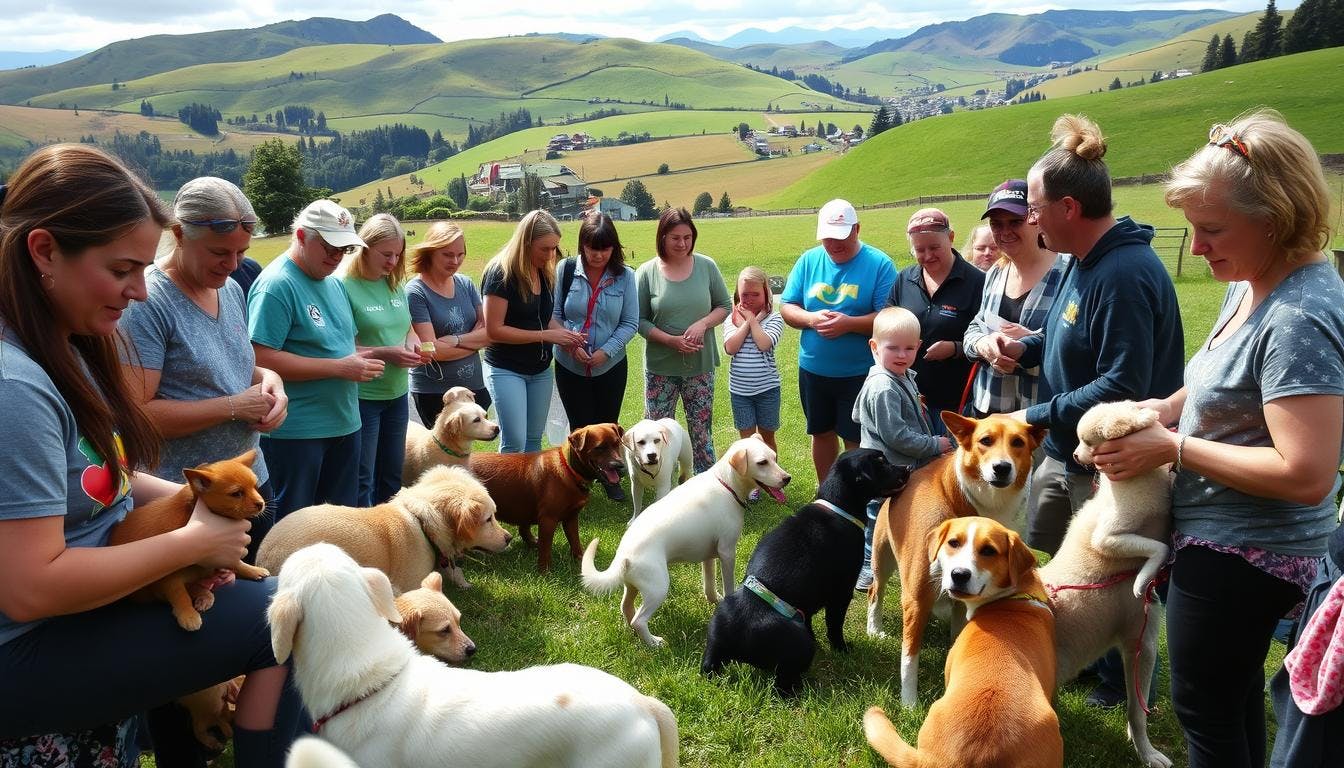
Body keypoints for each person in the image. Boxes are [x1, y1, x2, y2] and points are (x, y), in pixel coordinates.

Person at [0, 144, 302, 767]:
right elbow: (29, 589)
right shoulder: (15, 388)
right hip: (29, 643)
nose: (140, 291)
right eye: (122, 270)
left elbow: (97, 478)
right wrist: (191, 544)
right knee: (285, 618)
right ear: (43, 250)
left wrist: (196, 505)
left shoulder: (65, 346)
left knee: (275, 601)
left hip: (93, 600)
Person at [1090, 111, 1344, 768]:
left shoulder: (1299, 317)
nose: (1196, 248)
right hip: (1225, 540)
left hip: (1247, 553)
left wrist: (1170, 448)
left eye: (1211, 229)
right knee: (1228, 707)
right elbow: (1217, 379)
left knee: (1207, 711)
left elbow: (1307, 471)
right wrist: (1164, 407)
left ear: (1276, 217)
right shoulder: (1253, 281)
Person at [119, 176, 287, 567]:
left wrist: (269, 381)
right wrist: (233, 407)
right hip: (186, 502)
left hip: (250, 481)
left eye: (241, 252)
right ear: (179, 233)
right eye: (219, 252)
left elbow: (232, 363)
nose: (232, 265)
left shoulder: (229, 288)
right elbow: (136, 416)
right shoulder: (148, 303)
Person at [250, 199, 383, 517]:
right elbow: (259, 357)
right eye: (328, 247)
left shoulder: (335, 284)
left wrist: (373, 358)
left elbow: (344, 348)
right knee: (292, 524)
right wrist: (339, 368)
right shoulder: (277, 286)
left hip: (344, 423)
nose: (336, 256)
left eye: (344, 249)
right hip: (297, 431)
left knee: (340, 521)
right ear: (300, 236)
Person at [780, 199, 897, 483]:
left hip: (858, 372)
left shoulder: (879, 264)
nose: (833, 244)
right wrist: (811, 319)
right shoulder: (809, 260)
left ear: (857, 229)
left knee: (855, 438)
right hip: (814, 370)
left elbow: (888, 317)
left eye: (841, 236)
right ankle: (827, 493)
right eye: (828, 237)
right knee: (820, 432)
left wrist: (849, 324)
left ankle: (855, 497)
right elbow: (787, 306)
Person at [852, 306, 954, 589]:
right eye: (893, 348)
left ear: (919, 347)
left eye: (909, 348)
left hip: (900, 468)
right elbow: (896, 436)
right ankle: (867, 567)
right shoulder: (883, 387)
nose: (902, 355)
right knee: (878, 518)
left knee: (904, 514)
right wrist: (934, 444)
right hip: (884, 471)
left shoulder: (903, 375)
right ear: (874, 346)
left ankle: (907, 557)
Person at [636, 207, 731, 473]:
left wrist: (703, 324)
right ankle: (658, 483)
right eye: (675, 237)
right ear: (662, 237)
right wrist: (670, 341)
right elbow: (639, 321)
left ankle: (706, 486)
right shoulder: (646, 272)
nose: (682, 243)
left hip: (699, 366)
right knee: (657, 433)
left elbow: (724, 305)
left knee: (701, 431)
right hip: (660, 368)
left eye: (687, 237)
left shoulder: (706, 266)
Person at [339, 213, 425, 506]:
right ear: (364, 247)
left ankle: (391, 537)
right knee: (363, 475)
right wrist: (386, 353)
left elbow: (408, 329)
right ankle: (364, 539)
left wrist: (414, 347)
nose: (392, 262)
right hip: (364, 396)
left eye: (398, 255)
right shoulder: (343, 286)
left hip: (397, 393)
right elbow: (339, 349)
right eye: (386, 254)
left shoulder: (393, 283)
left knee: (391, 473)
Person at [962, 179, 1067, 418]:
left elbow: (1078, 346)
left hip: (1042, 416)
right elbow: (975, 327)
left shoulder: (1069, 273)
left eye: (1015, 222)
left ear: (1034, 219)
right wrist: (983, 346)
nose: (1005, 231)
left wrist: (1029, 344)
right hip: (990, 410)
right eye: (996, 224)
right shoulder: (996, 273)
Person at [482, 210, 583, 453]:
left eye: (554, 249)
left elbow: (544, 319)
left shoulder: (544, 272)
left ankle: (528, 492)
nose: (551, 255)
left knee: (534, 441)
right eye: (544, 249)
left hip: (540, 370)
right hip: (506, 369)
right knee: (514, 441)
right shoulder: (500, 273)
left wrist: (568, 337)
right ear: (525, 244)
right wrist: (545, 336)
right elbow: (494, 330)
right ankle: (505, 492)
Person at [553, 211, 638, 500]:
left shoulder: (626, 277)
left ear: (614, 247)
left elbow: (630, 323)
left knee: (607, 426)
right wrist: (569, 345)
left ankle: (611, 479)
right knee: (579, 429)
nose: (598, 255)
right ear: (582, 245)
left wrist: (606, 351)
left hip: (610, 366)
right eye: (592, 249)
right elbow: (554, 317)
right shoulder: (564, 270)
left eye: (605, 249)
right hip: (568, 364)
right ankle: (577, 483)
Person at [887, 207, 985, 420]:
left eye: (934, 247)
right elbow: (887, 325)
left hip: (957, 403)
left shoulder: (977, 282)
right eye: (919, 250)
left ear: (950, 238)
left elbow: (987, 340)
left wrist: (955, 348)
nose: (928, 256)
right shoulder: (904, 279)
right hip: (908, 398)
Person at [407, 221, 491, 428]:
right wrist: (475, 342)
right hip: (435, 392)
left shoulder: (465, 283)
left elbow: (489, 332)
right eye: (447, 254)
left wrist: (455, 340)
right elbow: (431, 350)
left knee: (463, 456)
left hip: (473, 388)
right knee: (441, 455)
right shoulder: (416, 292)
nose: (455, 261)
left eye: (460, 254)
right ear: (430, 252)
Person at [722, 266, 784, 457]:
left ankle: (771, 479)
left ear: (766, 293)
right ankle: (751, 483)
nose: (748, 300)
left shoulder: (774, 319)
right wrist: (748, 321)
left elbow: (764, 344)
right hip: (740, 393)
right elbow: (730, 348)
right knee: (747, 441)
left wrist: (752, 321)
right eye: (744, 295)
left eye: (755, 294)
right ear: (737, 295)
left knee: (767, 438)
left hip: (767, 391)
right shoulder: (731, 320)